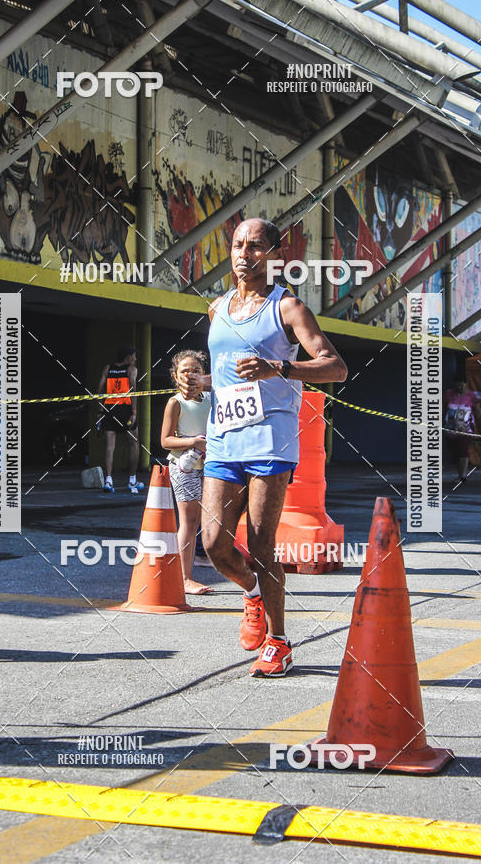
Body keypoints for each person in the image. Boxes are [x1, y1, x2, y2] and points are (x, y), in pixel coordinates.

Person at [179, 217, 347, 677]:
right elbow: (231, 378)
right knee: (212, 542)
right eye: (236, 245)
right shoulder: (217, 309)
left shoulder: (288, 309)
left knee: (260, 544)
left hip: (270, 442)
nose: (243, 254)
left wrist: (281, 368)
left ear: (276, 255)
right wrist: (199, 383)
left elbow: (336, 368)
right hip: (224, 438)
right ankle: (252, 594)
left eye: (254, 246)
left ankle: (278, 641)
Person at [161, 350, 213, 595]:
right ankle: (184, 578)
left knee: (212, 518)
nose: (191, 375)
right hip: (184, 467)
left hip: (210, 466)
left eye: (196, 371)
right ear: (175, 376)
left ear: (204, 375)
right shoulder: (175, 403)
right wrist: (193, 442)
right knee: (189, 521)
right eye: (185, 371)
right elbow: (165, 441)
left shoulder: (212, 399)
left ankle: (207, 559)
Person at [97, 347, 145, 494]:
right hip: (125, 409)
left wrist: (100, 411)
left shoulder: (107, 368)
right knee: (133, 444)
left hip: (109, 408)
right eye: (134, 356)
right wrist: (134, 413)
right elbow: (133, 391)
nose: (135, 359)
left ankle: (109, 481)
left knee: (110, 447)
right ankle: (132, 481)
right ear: (128, 357)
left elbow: (100, 390)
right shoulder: (131, 369)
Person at [443, 378, 481, 485]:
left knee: (463, 449)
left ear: (465, 384)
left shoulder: (471, 395)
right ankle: (460, 474)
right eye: (458, 385)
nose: (460, 388)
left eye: (462, 385)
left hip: (466, 429)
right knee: (454, 452)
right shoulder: (448, 394)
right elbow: (443, 409)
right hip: (450, 429)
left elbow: (478, 412)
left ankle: (463, 475)